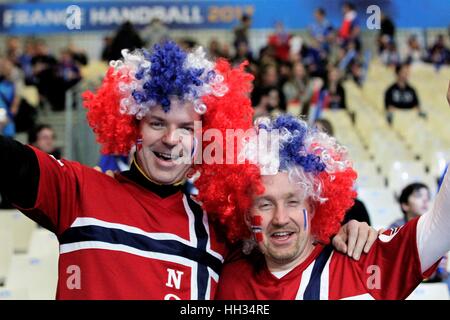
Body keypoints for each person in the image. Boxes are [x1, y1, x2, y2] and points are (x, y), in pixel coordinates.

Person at [0, 41, 376, 300]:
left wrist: (343, 228)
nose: (171, 140)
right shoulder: (76, 189)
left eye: (186, 128)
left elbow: (288, 240)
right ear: (131, 125)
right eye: (157, 123)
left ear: (205, 137)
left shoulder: (218, 228)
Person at [207, 106, 450, 299]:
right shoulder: (227, 273)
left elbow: (442, 226)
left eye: (293, 201)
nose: (280, 218)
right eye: (265, 204)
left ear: (313, 207)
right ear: (247, 214)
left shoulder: (363, 260)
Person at [389, 182, 448, 283]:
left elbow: (442, 271)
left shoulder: (435, 227)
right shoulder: (395, 228)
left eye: (428, 196)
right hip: (404, 283)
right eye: (418, 196)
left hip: (433, 281)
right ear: (405, 205)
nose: (425, 200)